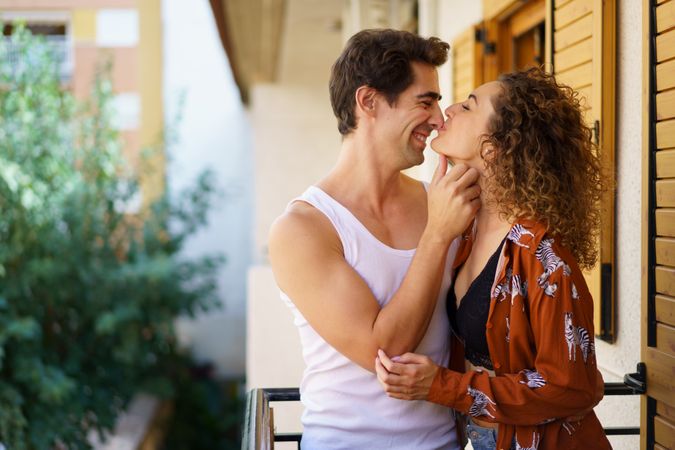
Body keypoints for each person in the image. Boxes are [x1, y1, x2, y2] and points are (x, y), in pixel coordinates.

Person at [376, 67, 611, 450]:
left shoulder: (542, 254)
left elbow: (572, 386)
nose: (448, 110)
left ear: (497, 144)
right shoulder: (463, 233)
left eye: (468, 106)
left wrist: (442, 385)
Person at [268, 29, 482, 450]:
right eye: (425, 101)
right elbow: (386, 349)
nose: (439, 119)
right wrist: (437, 234)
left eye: (439, 102)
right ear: (368, 102)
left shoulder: (439, 200)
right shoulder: (302, 229)